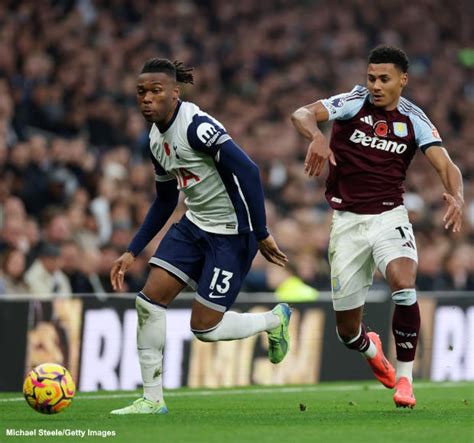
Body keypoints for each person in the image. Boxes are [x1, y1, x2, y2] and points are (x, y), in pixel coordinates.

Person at [110, 58, 290, 415]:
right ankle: (152, 400)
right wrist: (132, 250)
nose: (147, 99)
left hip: (232, 233)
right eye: (141, 92)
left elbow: (249, 172)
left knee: (204, 329)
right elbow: (165, 200)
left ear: (175, 93)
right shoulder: (154, 139)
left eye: (156, 91)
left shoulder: (197, 128)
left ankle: (274, 320)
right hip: (194, 226)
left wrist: (262, 232)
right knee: (148, 303)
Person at [291, 46, 463, 408]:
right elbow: (302, 113)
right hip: (347, 223)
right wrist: (317, 136)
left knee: (403, 282)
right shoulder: (352, 103)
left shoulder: (414, 118)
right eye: (371, 78)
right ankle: (371, 349)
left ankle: (405, 380)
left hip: (390, 215)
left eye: (384, 79)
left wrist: (457, 196)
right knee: (347, 332)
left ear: (403, 79)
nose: (375, 85)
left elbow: (446, 166)